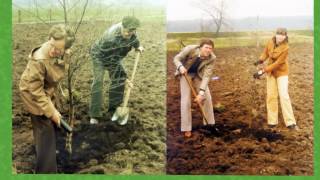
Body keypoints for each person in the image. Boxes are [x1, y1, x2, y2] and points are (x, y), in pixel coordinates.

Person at [19, 24, 75, 173]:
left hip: (47, 91)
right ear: (49, 39)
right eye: (51, 45)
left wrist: (63, 55)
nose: (52, 51)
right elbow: (36, 91)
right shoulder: (38, 60)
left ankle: (52, 154)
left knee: (52, 126)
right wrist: (52, 112)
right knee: (45, 131)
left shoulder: (64, 51)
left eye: (58, 49)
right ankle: (46, 171)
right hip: (33, 95)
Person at [89, 16, 144, 125]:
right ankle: (94, 114)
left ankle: (114, 109)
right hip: (100, 55)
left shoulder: (132, 34)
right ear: (122, 27)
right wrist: (126, 78)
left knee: (118, 79)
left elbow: (135, 41)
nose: (129, 34)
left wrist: (139, 47)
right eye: (127, 31)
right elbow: (111, 61)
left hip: (114, 56)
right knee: (98, 82)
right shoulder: (111, 37)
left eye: (132, 32)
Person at [253, 27, 298, 130]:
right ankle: (272, 121)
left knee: (284, 95)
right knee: (271, 96)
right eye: (279, 34)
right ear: (276, 34)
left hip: (281, 72)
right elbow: (265, 53)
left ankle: (290, 122)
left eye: (283, 35)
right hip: (271, 73)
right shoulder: (270, 42)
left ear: (285, 36)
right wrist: (260, 60)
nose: (280, 36)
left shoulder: (286, 47)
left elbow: (278, 63)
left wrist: (262, 71)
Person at [173, 39, 216, 138]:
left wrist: (200, 94)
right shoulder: (190, 49)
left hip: (198, 74)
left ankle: (209, 124)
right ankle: (186, 128)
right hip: (185, 73)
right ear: (200, 47)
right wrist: (180, 67)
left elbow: (207, 76)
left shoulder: (212, 58)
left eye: (210, 48)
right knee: (186, 100)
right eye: (206, 47)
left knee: (207, 97)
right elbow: (176, 58)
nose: (208, 50)